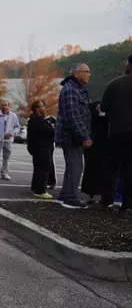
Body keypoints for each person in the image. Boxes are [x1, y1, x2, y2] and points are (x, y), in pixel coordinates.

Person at [56, 63, 92, 209]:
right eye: (86, 72)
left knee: (71, 166)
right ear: (77, 73)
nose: (89, 74)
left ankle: (64, 195)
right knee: (76, 167)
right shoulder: (71, 90)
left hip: (71, 136)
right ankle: (71, 198)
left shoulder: (76, 89)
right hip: (71, 137)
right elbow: (73, 116)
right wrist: (84, 136)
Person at [100, 55, 132, 215]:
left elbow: (103, 107)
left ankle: (107, 202)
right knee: (129, 171)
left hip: (117, 131)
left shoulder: (115, 83)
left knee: (112, 168)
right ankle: (127, 206)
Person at [27, 101, 55, 199]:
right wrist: (52, 128)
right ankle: (40, 190)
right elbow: (48, 132)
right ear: (37, 108)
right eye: (43, 106)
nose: (45, 108)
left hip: (39, 148)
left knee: (38, 169)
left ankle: (35, 188)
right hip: (42, 148)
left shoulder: (36, 119)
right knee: (43, 169)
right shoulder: (37, 120)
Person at [81, 102, 108, 203]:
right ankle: (101, 195)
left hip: (92, 144)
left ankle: (91, 193)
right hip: (101, 144)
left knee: (91, 169)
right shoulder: (104, 114)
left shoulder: (91, 111)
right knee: (102, 170)